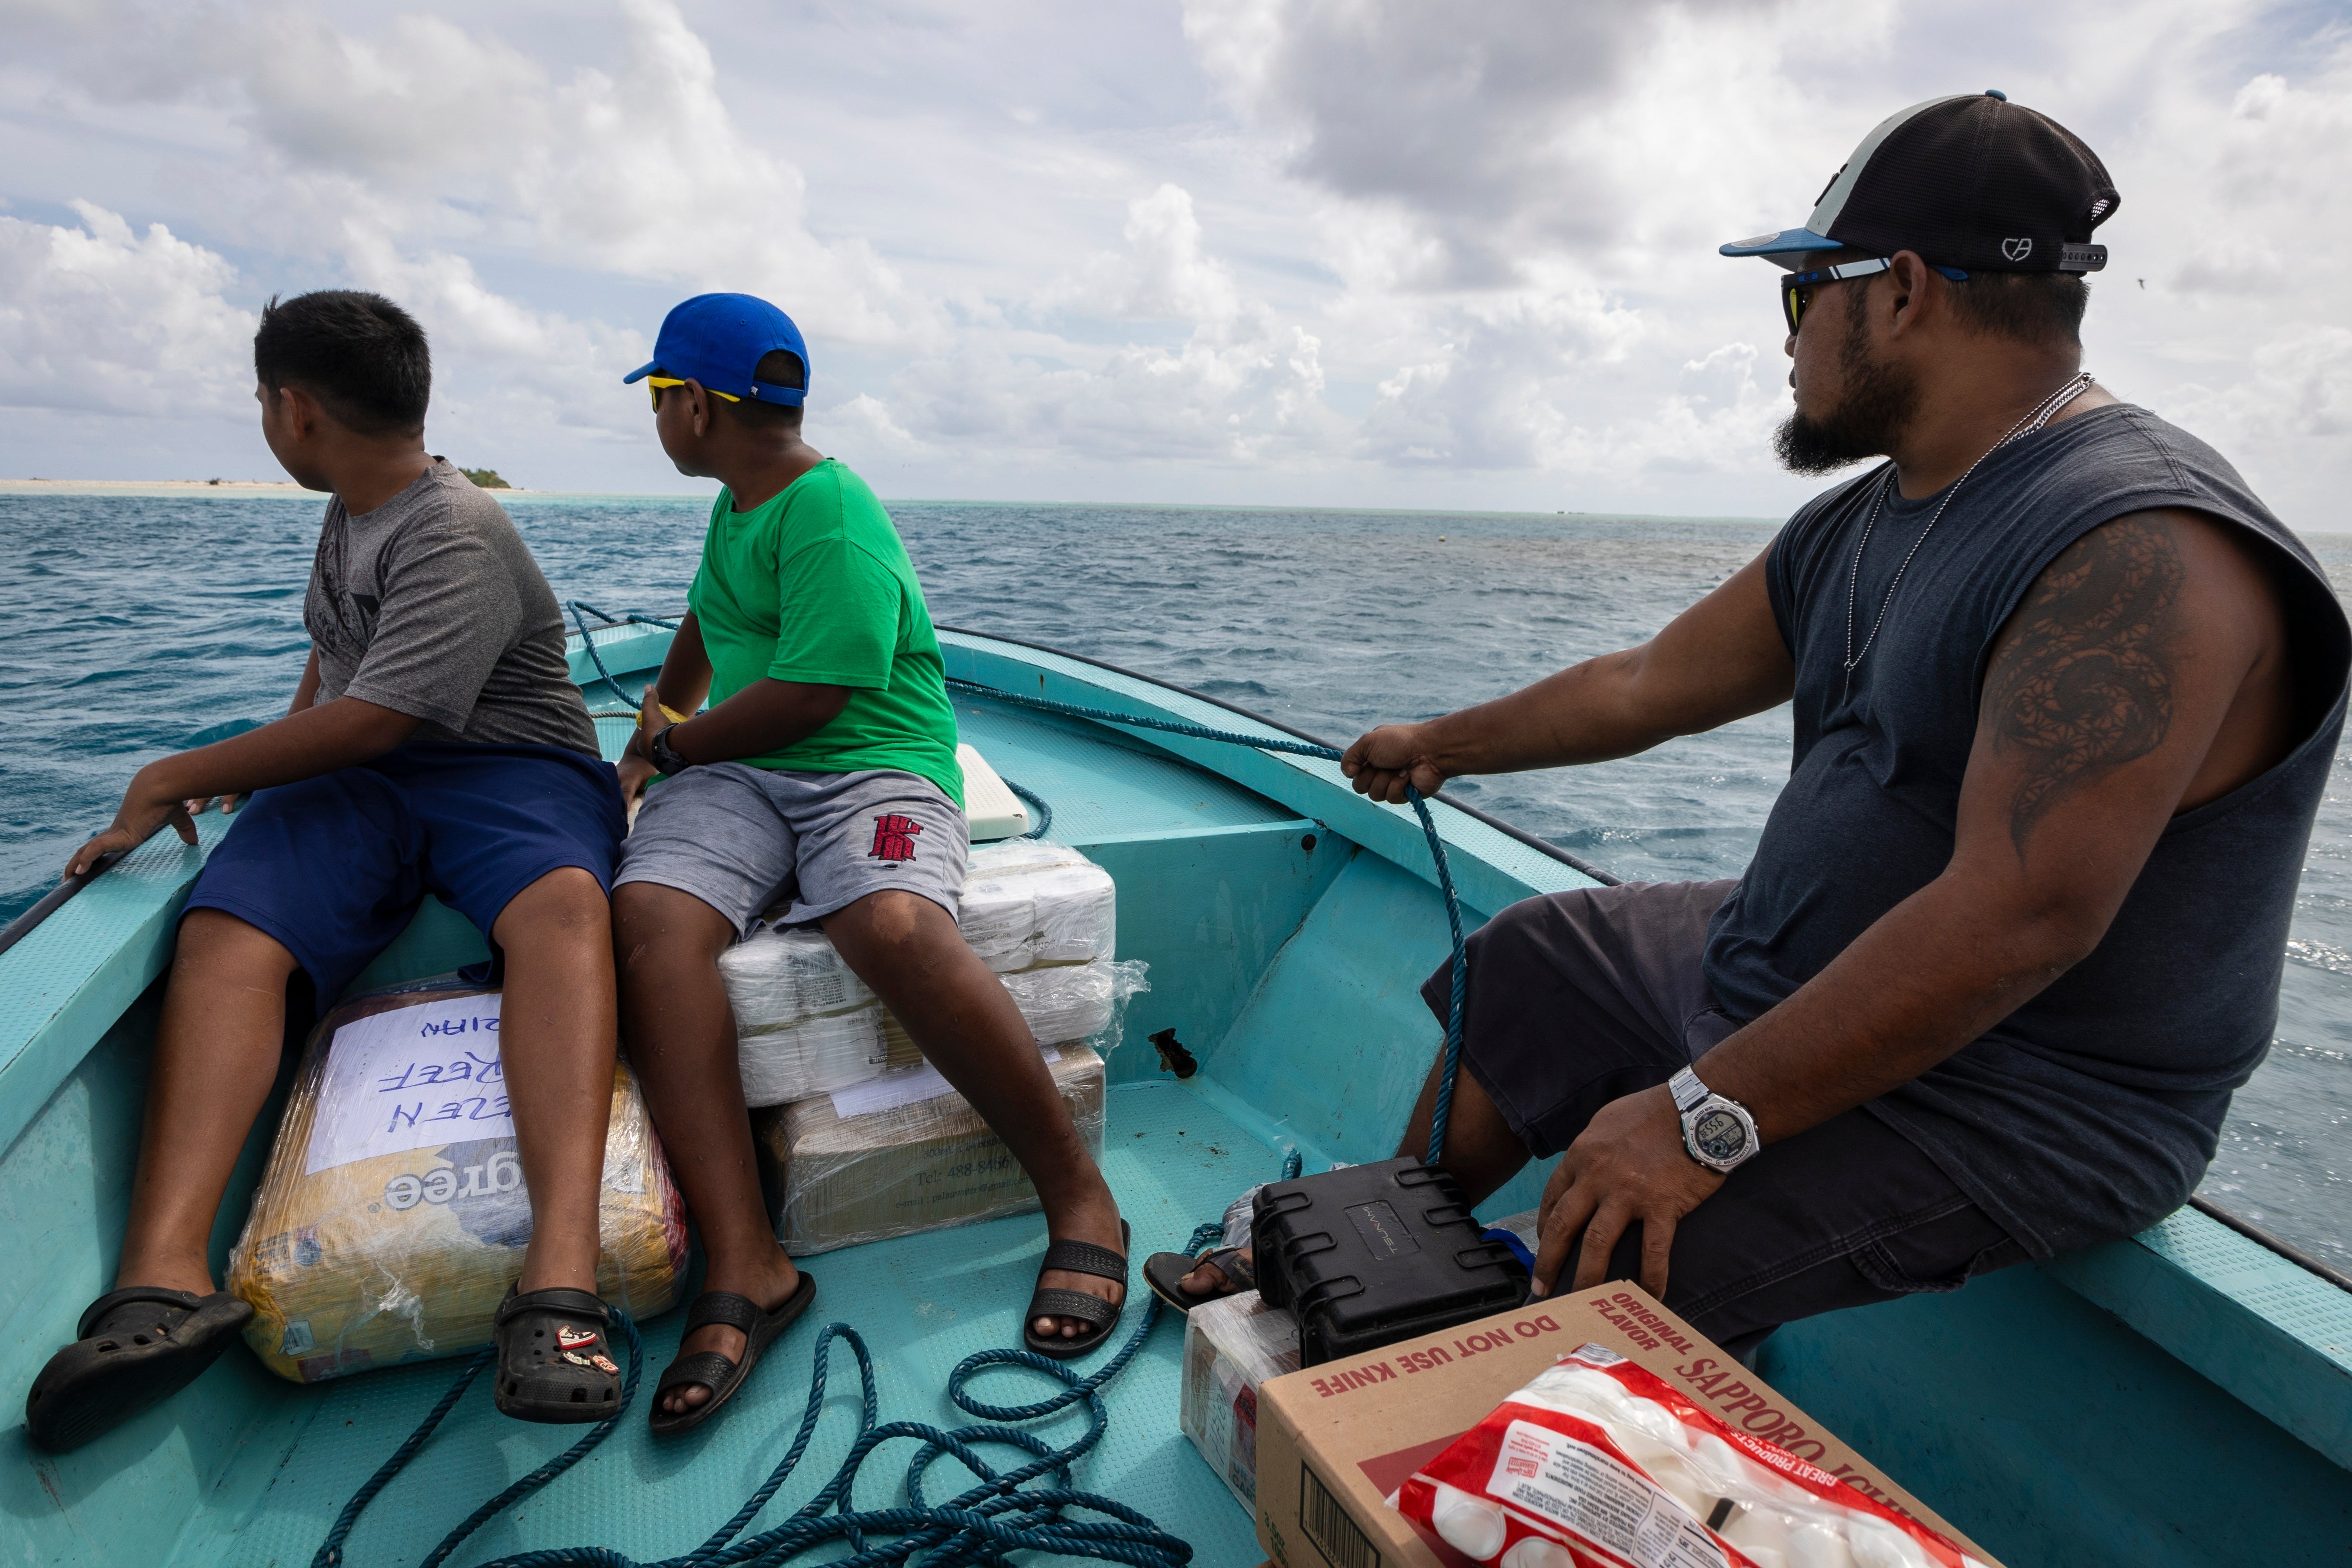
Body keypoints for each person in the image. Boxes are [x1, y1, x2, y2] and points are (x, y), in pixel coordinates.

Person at [1145, 93, 2349, 1360]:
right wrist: (1446, 740)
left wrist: (1700, 1116)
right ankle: (1389, 1255)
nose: (1784, 341)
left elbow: (2025, 915)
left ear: (1900, 293)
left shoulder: (2138, 551)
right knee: (1531, 965)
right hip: (1774, 958)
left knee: (1620, 1245)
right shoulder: (1874, 513)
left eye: (1797, 293)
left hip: (2022, 1094)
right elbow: (1649, 683)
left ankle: (1489, 1379)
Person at [25, 291, 631, 1452]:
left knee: (562, 909)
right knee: (229, 925)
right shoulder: (353, 506)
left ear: (292, 409)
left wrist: (167, 773)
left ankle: (557, 1283)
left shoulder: (453, 527)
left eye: (262, 399)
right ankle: (158, 1283)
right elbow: (340, 662)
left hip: (511, 764)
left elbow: (380, 718)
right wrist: (251, 773)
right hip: (369, 770)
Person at [608, 294, 1129, 1435]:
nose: (658, 417)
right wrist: (650, 745)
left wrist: (674, 746)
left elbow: (817, 693)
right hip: (743, 773)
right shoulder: (738, 503)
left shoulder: (830, 508)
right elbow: (706, 628)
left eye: (658, 397)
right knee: (649, 919)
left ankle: (1081, 1195)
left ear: (693, 406)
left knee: (891, 926)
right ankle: (749, 1266)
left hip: (868, 766)